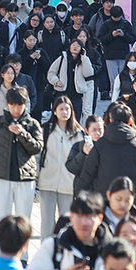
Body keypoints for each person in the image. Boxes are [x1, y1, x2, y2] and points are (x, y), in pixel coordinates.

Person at [74, 100, 136, 234]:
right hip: (131, 200)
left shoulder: (100, 145)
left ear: (110, 119)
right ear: (129, 122)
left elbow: (88, 173)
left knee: (106, 236)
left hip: (104, 201)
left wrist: (78, 192)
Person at [0, 88, 43, 222]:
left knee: (24, 221)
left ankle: (22, 244)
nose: (16, 109)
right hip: (2, 177)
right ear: (7, 104)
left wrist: (22, 134)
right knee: (2, 220)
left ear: (25, 104)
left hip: (26, 179)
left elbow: (37, 148)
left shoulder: (32, 124)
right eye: (12, 105)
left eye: (19, 105)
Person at [36, 95, 85, 239]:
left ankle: (64, 252)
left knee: (67, 222)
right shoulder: (45, 130)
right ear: (54, 111)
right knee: (47, 223)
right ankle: (46, 253)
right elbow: (38, 155)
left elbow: (82, 160)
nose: (64, 112)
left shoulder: (79, 133)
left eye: (67, 109)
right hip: (47, 183)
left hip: (69, 184)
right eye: (61, 109)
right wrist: (38, 175)